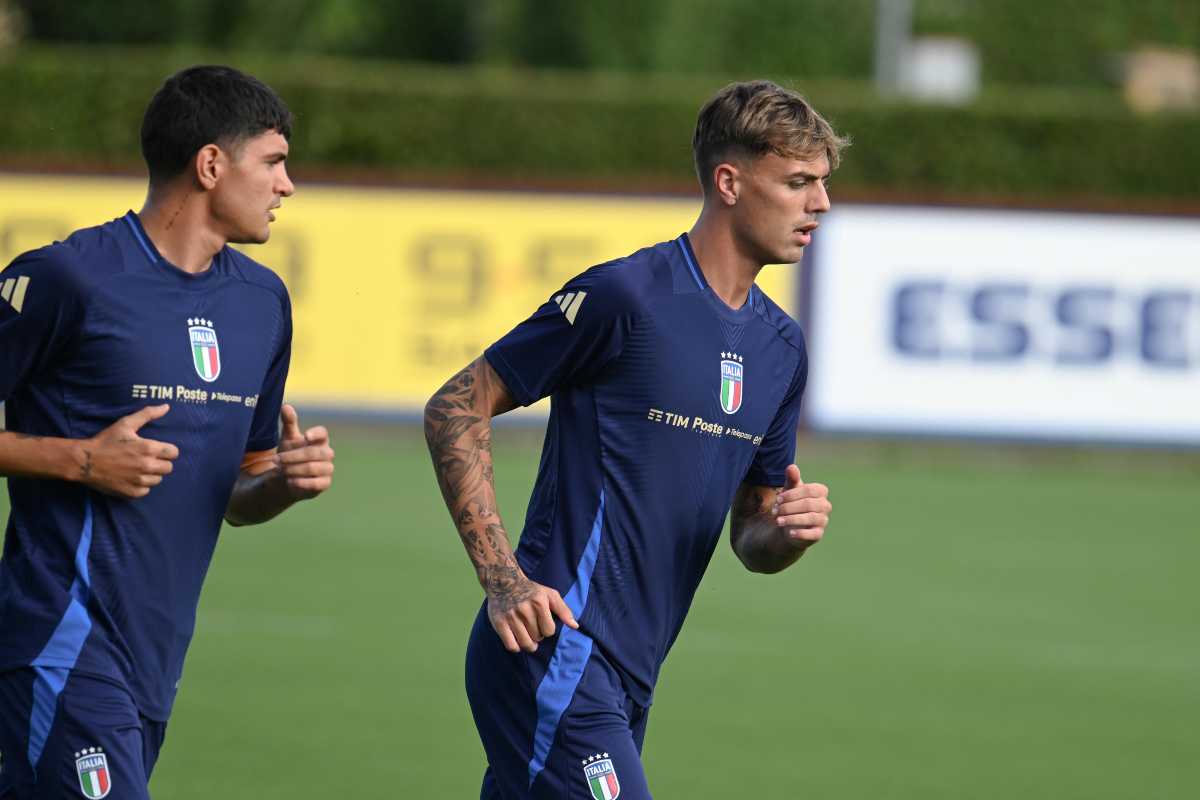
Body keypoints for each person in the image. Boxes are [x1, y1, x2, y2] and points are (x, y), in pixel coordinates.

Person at [424, 80, 844, 799]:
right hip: (553, 653)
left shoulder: (782, 349)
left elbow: (752, 536)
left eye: (824, 184)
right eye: (799, 182)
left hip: (631, 677)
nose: (821, 205)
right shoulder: (627, 296)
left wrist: (786, 533)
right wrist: (502, 579)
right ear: (730, 181)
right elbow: (456, 407)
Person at [0, 65, 334, 799]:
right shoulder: (68, 279)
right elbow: (87, 461)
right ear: (211, 164)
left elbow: (238, 488)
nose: (288, 186)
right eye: (274, 161)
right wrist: (81, 459)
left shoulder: (263, 304)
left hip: (153, 665)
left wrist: (281, 483)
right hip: (57, 646)